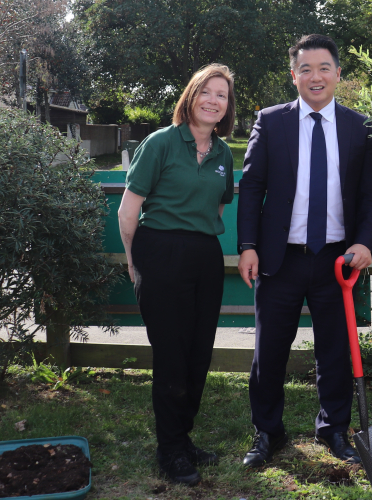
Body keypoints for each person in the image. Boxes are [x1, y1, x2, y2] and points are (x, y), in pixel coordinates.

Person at [236, 34, 372, 467]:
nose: (315, 76)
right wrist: (247, 246)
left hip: (338, 261)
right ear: (293, 75)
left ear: (338, 73)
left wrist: (364, 242)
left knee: (335, 350)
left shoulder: (360, 127)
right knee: (269, 353)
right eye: (305, 69)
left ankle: (334, 429)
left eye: (323, 68)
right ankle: (268, 433)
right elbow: (252, 189)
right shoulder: (270, 121)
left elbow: (371, 197)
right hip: (279, 259)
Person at [118, 64, 236, 486]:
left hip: (204, 254)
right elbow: (128, 211)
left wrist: (199, 238)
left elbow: (218, 208)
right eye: (206, 91)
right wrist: (136, 260)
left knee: (198, 352)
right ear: (191, 96)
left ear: (227, 107)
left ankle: (183, 439)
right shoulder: (161, 143)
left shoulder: (223, 153)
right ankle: (169, 450)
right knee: (171, 354)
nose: (213, 100)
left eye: (221, 95)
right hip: (160, 250)